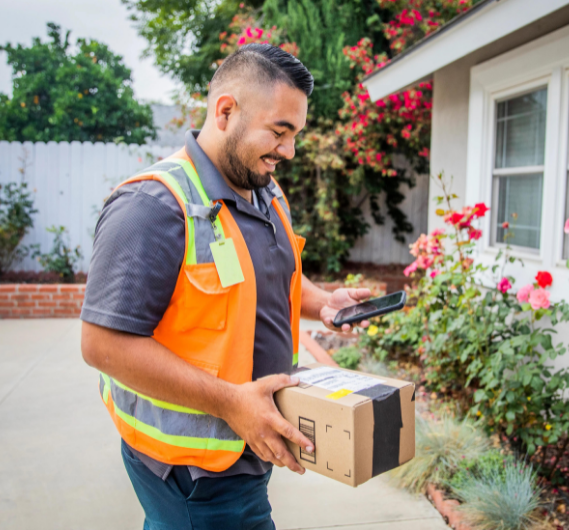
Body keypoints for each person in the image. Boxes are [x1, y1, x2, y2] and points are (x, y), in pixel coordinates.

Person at [80, 43, 370, 530]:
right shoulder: (151, 206)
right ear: (226, 111)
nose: (289, 151)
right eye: (279, 132)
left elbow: (260, 275)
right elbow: (102, 345)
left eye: (295, 134)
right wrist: (232, 403)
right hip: (195, 473)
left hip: (244, 451)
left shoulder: (262, 187)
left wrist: (321, 302)